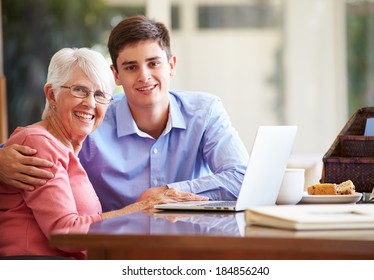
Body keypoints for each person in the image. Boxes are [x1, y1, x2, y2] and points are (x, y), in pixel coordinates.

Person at [0, 15, 249, 212]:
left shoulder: (205, 112)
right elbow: (36, 145)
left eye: (154, 63)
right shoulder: (91, 118)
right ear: (116, 75)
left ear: (171, 65)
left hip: (190, 244)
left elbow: (241, 178)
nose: (144, 76)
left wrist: (167, 191)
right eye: (131, 67)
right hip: (114, 251)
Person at [0, 47, 206, 259]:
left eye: (99, 95)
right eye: (79, 90)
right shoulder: (38, 143)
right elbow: (65, 233)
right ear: (52, 95)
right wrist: (143, 208)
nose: (90, 103)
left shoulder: (67, 148)